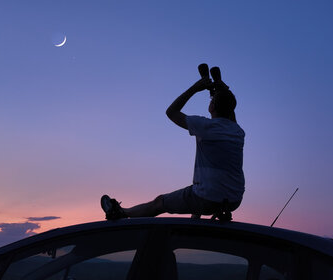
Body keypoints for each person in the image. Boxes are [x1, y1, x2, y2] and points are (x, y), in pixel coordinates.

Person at [101, 72, 245, 220]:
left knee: (159, 203)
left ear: (212, 106)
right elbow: (229, 112)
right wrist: (223, 91)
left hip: (207, 197)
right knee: (195, 192)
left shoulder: (204, 126)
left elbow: (171, 112)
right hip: (234, 199)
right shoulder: (238, 132)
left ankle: (121, 213)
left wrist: (195, 88)